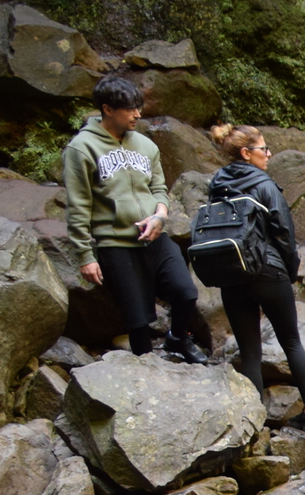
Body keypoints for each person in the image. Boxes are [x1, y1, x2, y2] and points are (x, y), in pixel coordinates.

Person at [63, 74, 205, 364]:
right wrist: (85, 256)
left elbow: (160, 189)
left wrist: (160, 217)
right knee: (138, 320)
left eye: (138, 108)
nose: (138, 115)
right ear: (107, 109)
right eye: (130, 109)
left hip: (155, 237)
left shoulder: (145, 145)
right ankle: (145, 371)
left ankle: (178, 338)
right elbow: (78, 204)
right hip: (116, 244)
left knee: (186, 293)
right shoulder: (81, 149)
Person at [207, 124, 305, 432]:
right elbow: (284, 233)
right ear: (247, 153)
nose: (269, 154)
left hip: (232, 271)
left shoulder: (216, 185)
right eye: (264, 149)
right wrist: (290, 270)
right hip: (268, 270)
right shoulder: (264, 185)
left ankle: (255, 424)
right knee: (291, 340)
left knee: (249, 351)